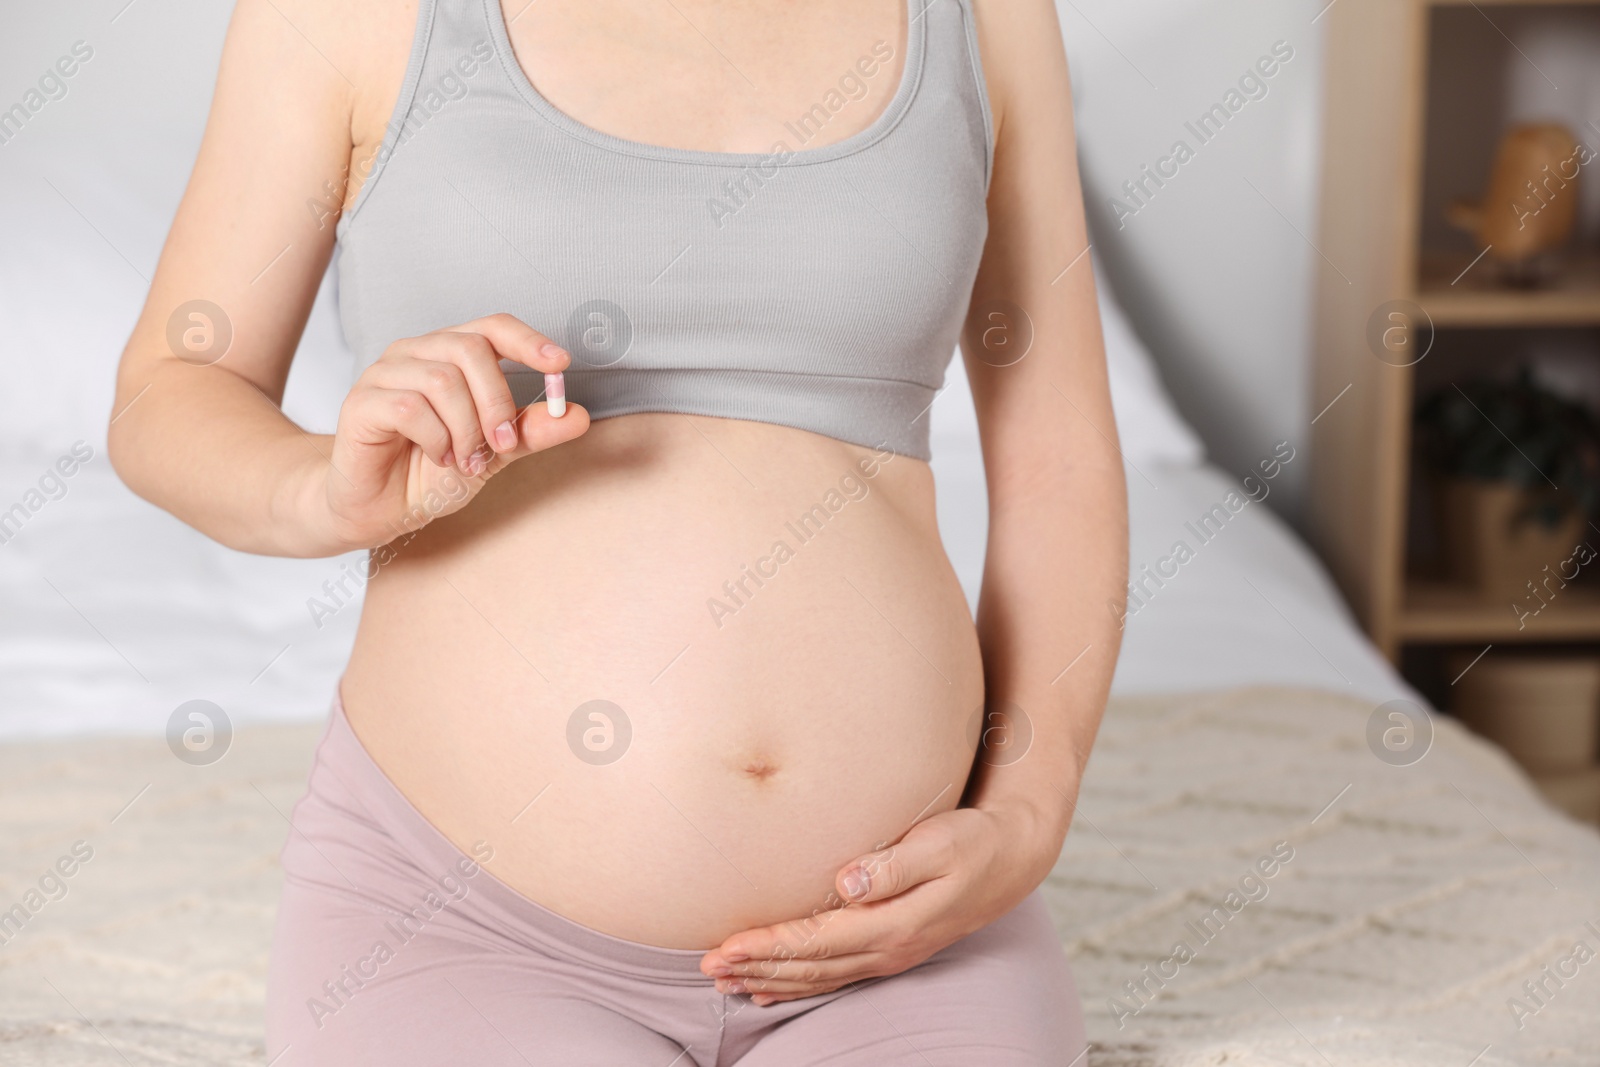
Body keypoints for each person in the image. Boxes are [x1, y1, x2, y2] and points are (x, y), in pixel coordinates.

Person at [107, 0, 1127, 1061]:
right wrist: (323, 486)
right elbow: (171, 392)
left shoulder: (989, 16)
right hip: (467, 932)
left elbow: (1057, 462)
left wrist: (1026, 812)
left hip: (902, 938)